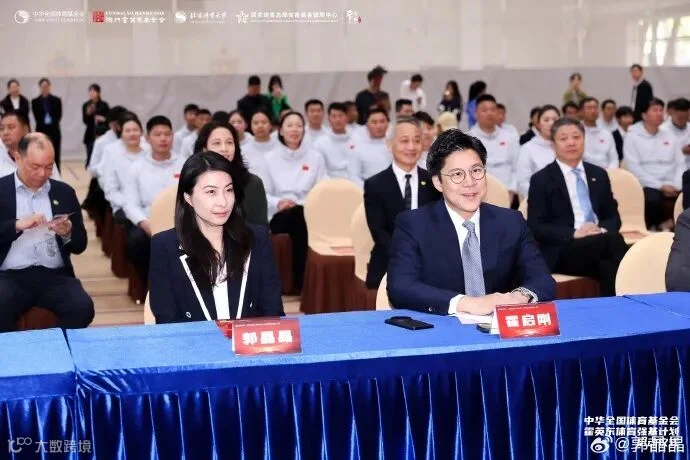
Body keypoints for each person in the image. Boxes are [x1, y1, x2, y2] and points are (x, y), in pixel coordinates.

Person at [387, 129, 555, 314]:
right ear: (438, 182)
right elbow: (400, 287)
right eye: (457, 174)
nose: (470, 182)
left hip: (498, 326)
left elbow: (542, 279)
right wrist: (467, 303)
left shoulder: (511, 222)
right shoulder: (413, 224)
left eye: (476, 170)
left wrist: (519, 297)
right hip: (442, 325)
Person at [149, 152, 284, 323]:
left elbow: (272, 311)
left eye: (228, 190)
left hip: (249, 339)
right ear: (188, 197)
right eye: (211, 192)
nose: (223, 202)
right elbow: (167, 320)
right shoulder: (165, 246)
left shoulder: (256, 238)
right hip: (193, 339)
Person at [0, 133, 94, 332]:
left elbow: (80, 245)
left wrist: (67, 233)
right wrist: (16, 225)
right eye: (35, 167)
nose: (42, 174)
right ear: (18, 158)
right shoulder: (1, 190)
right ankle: (15, 350)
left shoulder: (64, 192)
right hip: (9, 276)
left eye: (49, 167)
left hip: (55, 276)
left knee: (82, 308)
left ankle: (54, 346)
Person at [527, 118, 628, 296]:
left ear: (584, 140)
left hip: (599, 242)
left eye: (576, 137)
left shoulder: (599, 174)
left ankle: (612, 309)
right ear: (553, 144)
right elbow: (536, 226)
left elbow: (613, 218)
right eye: (563, 138)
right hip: (564, 249)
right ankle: (637, 299)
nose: (571, 143)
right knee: (614, 242)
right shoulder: (541, 179)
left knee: (607, 266)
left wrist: (599, 230)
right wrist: (575, 233)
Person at [364, 117, 441, 289]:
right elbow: (379, 232)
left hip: (430, 261)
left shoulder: (434, 182)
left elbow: (439, 225)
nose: (411, 147)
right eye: (404, 141)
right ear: (389, 145)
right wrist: (409, 256)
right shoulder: (375, 185)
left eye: (417, 140)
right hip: (388, 260)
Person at [263, 111, 326, 291]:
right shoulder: (269, 158)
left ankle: (301, 282)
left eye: (299, 125)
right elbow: (264, 193)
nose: (295, 129)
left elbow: (321, 189)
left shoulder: (315, 157)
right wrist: (279, 202)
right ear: (281, 131)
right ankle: (302, 282)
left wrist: (306, 204)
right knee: (298, 216)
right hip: (279, 214)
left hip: (306, 211)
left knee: (300, 215)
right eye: (289, 125)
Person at [122, 116, 185, 286]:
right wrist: (146, 224)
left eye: (167, 134)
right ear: (147, 138)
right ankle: (151, 285)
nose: (163, 139)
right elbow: (131, 205)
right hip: (148, 222)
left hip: (180, 222)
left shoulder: (185, 165)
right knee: (136, 243)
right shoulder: (136, 168)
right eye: (157, 134)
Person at [625, 98, 684, 230]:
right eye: (655, 110)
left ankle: (674, 224)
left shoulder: (670, 135)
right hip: (649, 183)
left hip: (672, 182)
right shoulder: (632, 136)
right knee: (652, 200)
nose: (659, 113)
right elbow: (634, 168)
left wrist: (676, 184)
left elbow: (680, 163)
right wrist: (660, 186)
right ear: (644, 115)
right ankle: (656, 227)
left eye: (661, 110)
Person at [194, 121, 268, 226]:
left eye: (229, 142)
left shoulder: (252, 183)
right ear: (204, 149)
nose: (224, 149)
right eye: (217, 143)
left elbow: (260, 228)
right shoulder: (194, 182)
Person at [468, 94, 520, 203]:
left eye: (493, 110)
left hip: (508, 193)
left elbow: (516, 167)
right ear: (476, 114)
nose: (489, 113)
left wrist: (511, 192)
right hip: (478, 195)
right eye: (484, 110)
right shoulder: (468, 139)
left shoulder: (510, 137)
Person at [102, 113, 148, 219]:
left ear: (141, 132)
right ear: (121, 133)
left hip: (148, 204)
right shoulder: (113, 154)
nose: (132, 134)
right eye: (127, 131)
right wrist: (130, 204)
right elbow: (111, 190)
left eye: (135, 130)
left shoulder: (149, 152)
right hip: (123, 205)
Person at [0, 112, 61, 180]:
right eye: (1, 128)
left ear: (25, 129)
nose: (5, 132)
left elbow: (56, 184)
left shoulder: (42, 154)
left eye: (11, 127)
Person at [516, 105, 560, 197]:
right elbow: (523, 183)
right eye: (546, 120)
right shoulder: (527, 148)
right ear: (538, 124)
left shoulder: (567, 146)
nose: (551, 123)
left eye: (555, 120)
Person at [348, 108, 392, 187]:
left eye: (382, 121)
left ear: (388, 123)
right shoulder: (358, 148)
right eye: (374, 122)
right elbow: (353, 176)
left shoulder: (396, 146)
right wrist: (369, 190)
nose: (379, 126)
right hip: (367, 189)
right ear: (367, 124)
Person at [313, 102, 354, 179]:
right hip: (332, 182)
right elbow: (320, 170)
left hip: (355, 180)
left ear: (346, 117)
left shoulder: (356, 138)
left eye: (340, 116)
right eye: (334, 116)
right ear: (329, 119)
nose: (337, 120)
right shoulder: (320, 143)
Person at [579, 97, 619, 169]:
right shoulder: (576, 132)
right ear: (581, 111)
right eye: (589, 108)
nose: (593, 111)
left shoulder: (606, 133)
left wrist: (609, 172)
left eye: (595, 108)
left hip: (606, 171)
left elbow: (614, 159)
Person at [31, 78, 62, 170]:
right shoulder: (35, 101)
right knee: (41, 154)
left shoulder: (57, 100)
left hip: (54, 131)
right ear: (40, 87)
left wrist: (51, 121)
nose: (45, 88)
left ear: (49, 87)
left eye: (46, 86)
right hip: (41, 131)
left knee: (55, 155)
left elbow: (59, 116)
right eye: (43, 86)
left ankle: (56, 174)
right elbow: (37, 117)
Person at [82, 83, 110, 167]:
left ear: (98, 93)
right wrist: (88, 114)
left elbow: (110, 119)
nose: (92, 93)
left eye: (94, 91)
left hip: (102, 133)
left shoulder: (104, 105)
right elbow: (85, 121)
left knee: (102, 157)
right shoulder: (86, 105)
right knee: (90, 157)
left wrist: (103, 119)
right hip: (90, 134)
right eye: (90, 91)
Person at [242, 109, 277, 175]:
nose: (260, 126)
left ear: (270, 125)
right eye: (256, 123)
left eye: (264, 122)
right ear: (250, 126)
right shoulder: (243, 151)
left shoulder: (280, 147)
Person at [661, 97, 690, 168]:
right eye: (680, 118)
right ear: (672, 113)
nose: (683, 121)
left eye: (686, 118)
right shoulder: (662, 130)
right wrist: (681, 152)